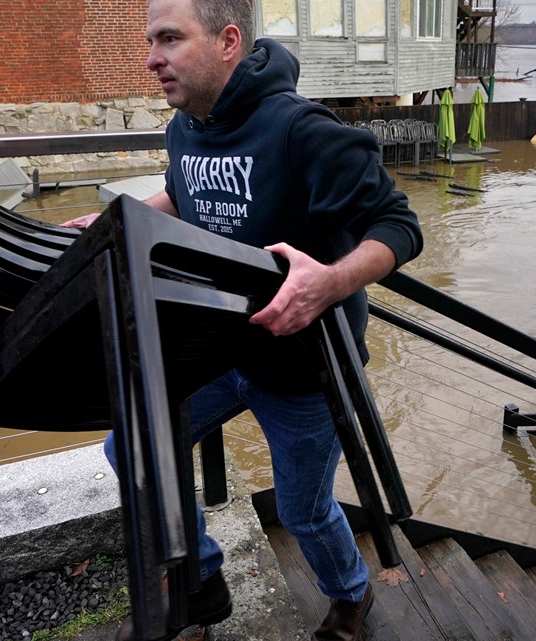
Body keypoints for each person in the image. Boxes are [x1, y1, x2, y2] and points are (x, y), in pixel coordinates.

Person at [62, 1, 424, 639]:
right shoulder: (186, 126)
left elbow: (399, 225)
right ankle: (201, 584)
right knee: (134, 448)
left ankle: (350, 595)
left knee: (302, 510)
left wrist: (332, 282)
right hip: (215, 349)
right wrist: (120, 220)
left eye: (170, 39)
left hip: (304, 365)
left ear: (228, 41)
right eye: (151, 41)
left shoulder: (302, 130)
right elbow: (183, 193)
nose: (152, 58)